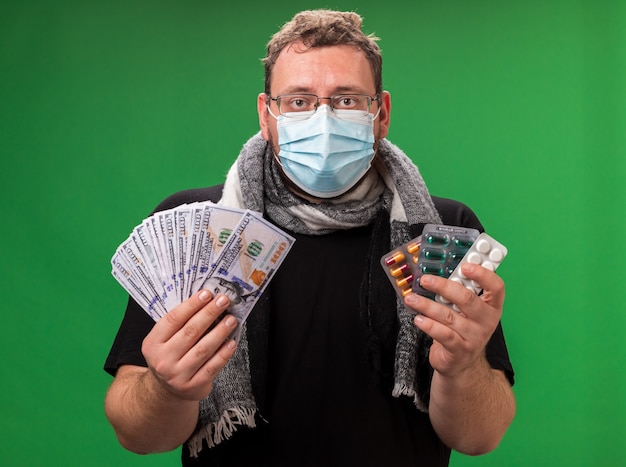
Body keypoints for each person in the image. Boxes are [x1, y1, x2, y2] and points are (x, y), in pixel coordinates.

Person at [104, 9, 515, 466]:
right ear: (267, 114)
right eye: (299, 101)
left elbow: (479, 437)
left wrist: (463, 365)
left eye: (346, 100)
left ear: (381, 114)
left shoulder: (442, 229)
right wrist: (166, 387)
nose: (323, 119)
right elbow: (136, 434)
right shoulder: (196, 227)